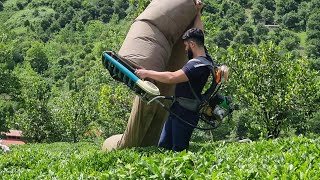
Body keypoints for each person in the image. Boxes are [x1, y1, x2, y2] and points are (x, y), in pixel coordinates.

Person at [135, 1, 215, 151]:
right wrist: (198, 12)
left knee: (179, 150)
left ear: (192, 44)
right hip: (177, 108)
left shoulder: (196, 66)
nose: (185, 49)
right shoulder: (206, 58)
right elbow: (199, 32)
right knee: (164, 146)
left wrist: (146, 73)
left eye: (186, 45)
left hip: (186, 113)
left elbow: (172, 77)